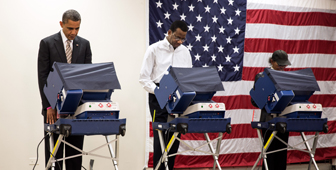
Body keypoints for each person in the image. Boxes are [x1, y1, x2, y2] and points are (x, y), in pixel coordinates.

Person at [38, 9, 92, 170]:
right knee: (55, 155)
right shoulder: (47, 43)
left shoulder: (84, 45)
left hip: (77, 108)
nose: (73, 32)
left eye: (77, 28)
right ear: (61, 24)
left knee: (74, 154)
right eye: (70, 28)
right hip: (53, 108)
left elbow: (86, 77)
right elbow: (43, 77)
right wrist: (49, 106)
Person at [139, 20, 192, 170]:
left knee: (175, 135)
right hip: (158, 96)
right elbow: (143, 78)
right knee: (161, 136)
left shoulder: (185, 51)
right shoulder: (154, 49)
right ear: (169, 32)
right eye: (177, 37)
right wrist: (158, 92)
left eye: (183, 38)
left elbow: (188, 76)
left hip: (179, 96)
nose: (180, 41)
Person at [251, 50, 291, 170]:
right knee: (270, 153)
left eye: (284, 65)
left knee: (282, 152)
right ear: (272, 61)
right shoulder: (262, 76)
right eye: (280, 64)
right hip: (268, 120)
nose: (282, 67)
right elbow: (254, 101)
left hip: (284, 118)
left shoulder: (288, 77)